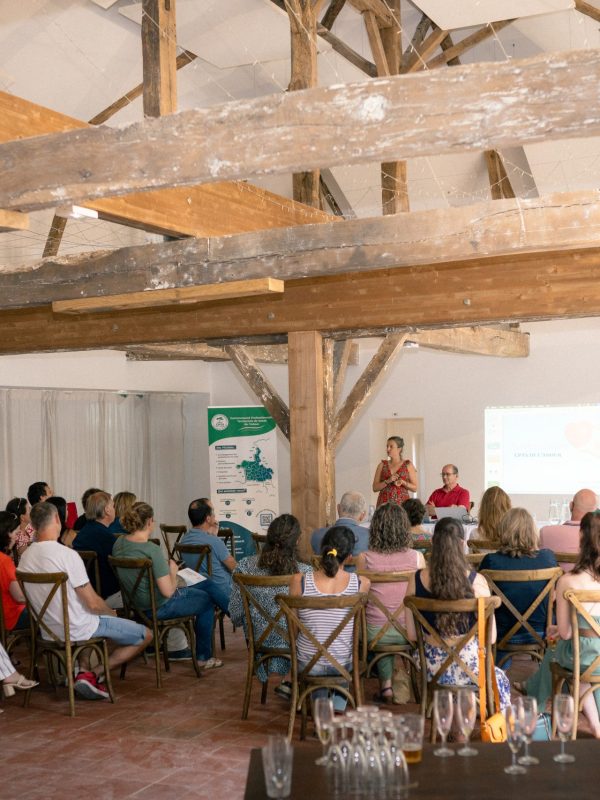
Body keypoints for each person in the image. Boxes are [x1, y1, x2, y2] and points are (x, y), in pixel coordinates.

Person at [18, 502, 152, 701]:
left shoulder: (25, 556)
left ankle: (82, 670)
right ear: (57, 520)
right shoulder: (67, 555)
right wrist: (110, 612)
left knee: (89, 619)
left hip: (48, 629)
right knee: (145, 634)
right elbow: (93, 603)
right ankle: (92, 674)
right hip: (77, 626)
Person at [404, 517, 510, 708]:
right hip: (470, 665)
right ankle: (465, 718)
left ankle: (448, 712)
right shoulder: (477, 581)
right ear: (462, 544)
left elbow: (411, 634)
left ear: (433, 543)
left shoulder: (416, 579)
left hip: (430, 666)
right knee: (498, 675)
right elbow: (491, 638)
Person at [112, 501, 229, 670]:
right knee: (207, 600)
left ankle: (234, 613)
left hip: (135, 604)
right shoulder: (151, 549)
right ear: (150, 521)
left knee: (203, 580)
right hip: (157, 606)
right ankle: (204, 656)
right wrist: (173, 571)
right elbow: (168, 591)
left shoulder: (119, 543)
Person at [523, 511, 600, 737]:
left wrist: (558, 629)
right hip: (595, 654)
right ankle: (595, 724)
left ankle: (534, 707)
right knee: (582, 657)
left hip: (582, 655)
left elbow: (566, 633)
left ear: (582, 538)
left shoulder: (567, 581)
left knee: (558, 650)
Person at [289, 526, 370, 710]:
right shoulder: (362, 583)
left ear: (323, 549)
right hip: (343, 662)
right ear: (350, 556)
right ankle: (336, 704)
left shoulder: (298, 581)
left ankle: (322, 705)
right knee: (338, 653)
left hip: (307, 663)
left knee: (317, 655)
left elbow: (293, 629)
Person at [229, 513, 310, 695]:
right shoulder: (306, 573)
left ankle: (290, 681)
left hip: (259, 642)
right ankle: (295, 682)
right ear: (297, 541)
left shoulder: (243, 567)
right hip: (297, 644)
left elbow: (235, 614)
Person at [355, 503, 425, 703]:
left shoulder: (364, 558)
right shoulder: (417, 558)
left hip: (373, 633)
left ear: (375, 528)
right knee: (392, 616)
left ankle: (386, 686)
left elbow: (362, 597)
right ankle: (401, 678)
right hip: (410, 632)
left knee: (378, 615)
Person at [480, 508, 557, 661]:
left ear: (503, 531)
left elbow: (484, 599)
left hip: (502, 632)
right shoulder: (548, 558)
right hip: (542, 631)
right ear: (532, 531)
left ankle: (498, 670)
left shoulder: (491, 561)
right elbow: (553, 596)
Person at [180, 498, 237, 599]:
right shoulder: (214, 542)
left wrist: (213, 536)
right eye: (213, 511)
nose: (215, 515)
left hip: (197, 590)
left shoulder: (184, 540)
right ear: (208, 519)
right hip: (223, 592)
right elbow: (235, 569)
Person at [72, 491, 120, 603]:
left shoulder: (83, 533)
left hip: (84, 593)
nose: (114, 509)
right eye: (113, 506)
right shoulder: (106, 537)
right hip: (106, 595)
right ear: (107, 510)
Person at [539, 488, 597, 569]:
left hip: (554, 581)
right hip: (588, 580)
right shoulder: (596, 537)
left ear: (571, 505)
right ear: (596, 512)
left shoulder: (545, 532)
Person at [311, 491, 369, 569]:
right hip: (358, 580)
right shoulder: (370, 536)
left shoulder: (317, 535)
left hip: (325, 580)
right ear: (362, 515)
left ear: (338, 508)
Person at [0, 511, 28, 631]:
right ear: (7, 534)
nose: (18, 536)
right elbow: (20, 597)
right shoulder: (4, 561)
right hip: (12, 616)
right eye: (16, 532)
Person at [372, 436, 418, 508]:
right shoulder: (382, 465)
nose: (388, 449)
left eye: (391, 447)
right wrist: (388, 481)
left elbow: (415, 488)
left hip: (402, 505)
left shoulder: (408, 465)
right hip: (384, 506)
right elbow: (375, 488)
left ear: (399, 449)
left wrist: (403, 482)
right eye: (387, 446)